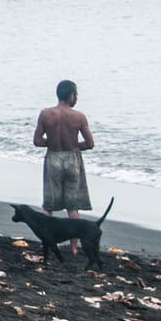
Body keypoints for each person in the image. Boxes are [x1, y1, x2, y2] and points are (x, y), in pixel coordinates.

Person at [34, 79, 94, 221]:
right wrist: (73, 144)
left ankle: (47, 241)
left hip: (53, 157)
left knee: (49, 206)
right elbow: (90, 143)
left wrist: (53, 142)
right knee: (73, 207)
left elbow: (37, 141)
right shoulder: (79, 116)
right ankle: (73, 244)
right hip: (72, 159)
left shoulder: (45, 114)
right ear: (72, 95)